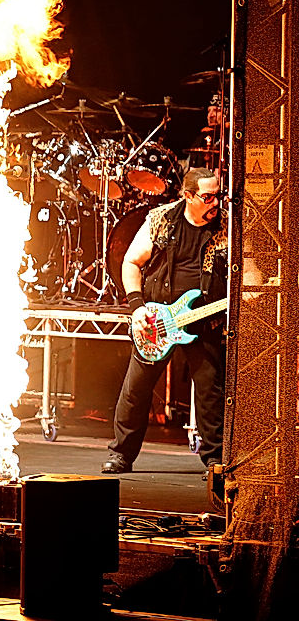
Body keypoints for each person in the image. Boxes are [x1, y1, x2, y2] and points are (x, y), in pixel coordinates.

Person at [103, 167, 227, 478]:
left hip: (204, 320)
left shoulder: (228, 227)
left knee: (210, 391)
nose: (216, 203)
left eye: (218, 196)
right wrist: (137, 308)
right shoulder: (161, 220)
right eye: (208, 197)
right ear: (188, 196)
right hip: (158, 320)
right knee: (136, 389)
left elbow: (249, 269)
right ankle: (120, 455)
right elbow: (131, 261)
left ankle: (215, 461)